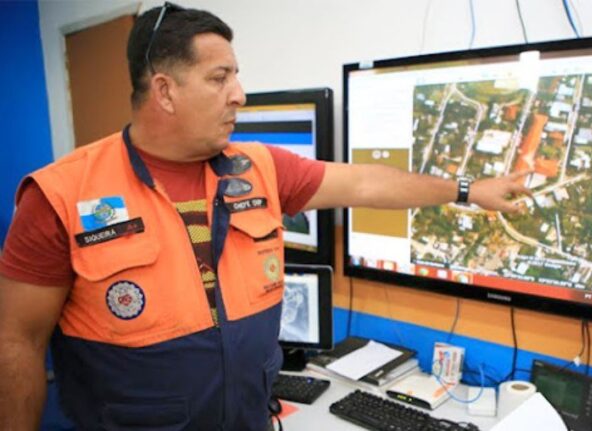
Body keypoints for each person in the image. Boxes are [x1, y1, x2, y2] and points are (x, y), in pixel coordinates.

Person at [0, 4, 530, 430]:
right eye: (219, 77)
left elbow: (366, 182)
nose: (240, 94)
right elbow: (16, 343)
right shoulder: (59, 195)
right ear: (164, 90)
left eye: (237, 75)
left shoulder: (259, 168)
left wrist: (468, 189)